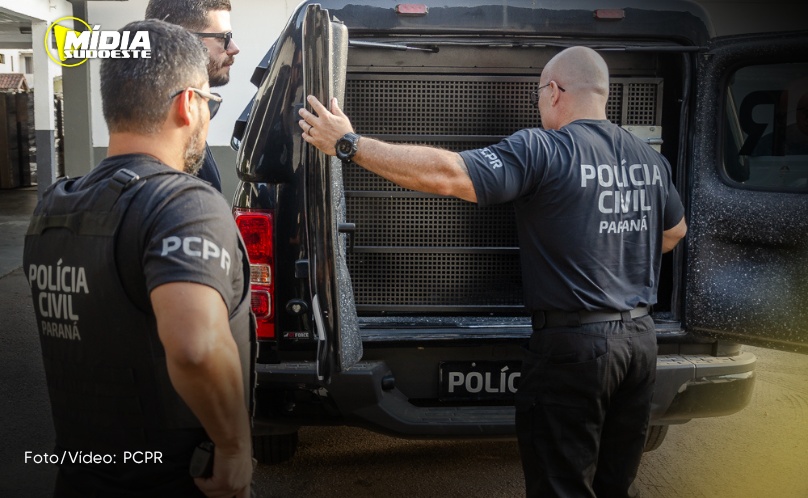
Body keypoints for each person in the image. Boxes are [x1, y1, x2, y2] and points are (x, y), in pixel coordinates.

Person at [298, 46, 687, 497]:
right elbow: (674, 232)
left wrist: (349, 144)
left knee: (561, 486)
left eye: (540, 93)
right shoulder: (648, 159)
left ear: (555, 92)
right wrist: (617, 246)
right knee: (617, 484)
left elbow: (449, 175)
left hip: (576, 352)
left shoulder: (544, 148)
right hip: (640, 345)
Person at [23, 20, 254, 498]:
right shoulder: (184, 205)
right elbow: (196, 348)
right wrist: (233, 448)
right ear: (189, 104)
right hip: (179, 482)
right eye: (210, 102)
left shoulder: (53, 209)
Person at [145, 0, 242, 193]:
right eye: (224, 37)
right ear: (183, 40)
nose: (234, 48)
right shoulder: (163, 152)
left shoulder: (186, 135)